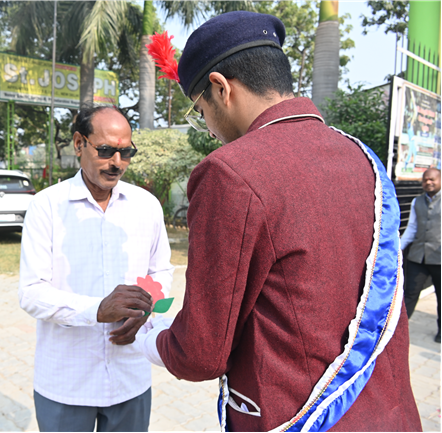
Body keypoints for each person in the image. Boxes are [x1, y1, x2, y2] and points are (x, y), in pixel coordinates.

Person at [137, 11, 421, 432]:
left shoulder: (230, 173)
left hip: (301, 418)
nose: (209, 129)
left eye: (200, 110)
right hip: (392, 414)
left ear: (221, 87)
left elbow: (200, 352)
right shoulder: (361, 156)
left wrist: (150, 338)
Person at [18, 106, 174, 432]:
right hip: (66, 383)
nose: (117, 162)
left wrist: (145, 310)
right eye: (105, 150)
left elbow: (161, 272)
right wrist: (97, 310)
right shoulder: (46, 207)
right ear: (79, 144)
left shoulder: (146, 206)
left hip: (129, 377)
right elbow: (31, 293)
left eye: (125, 152)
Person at [401, 167, 441, 343]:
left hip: (439, 258)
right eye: (425, 179)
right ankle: (399, 330)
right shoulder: (416, 201)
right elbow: (412, 228)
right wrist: (398, 248)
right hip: (418, 257)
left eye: (432, 179)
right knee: (409, 293)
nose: (428, 182)